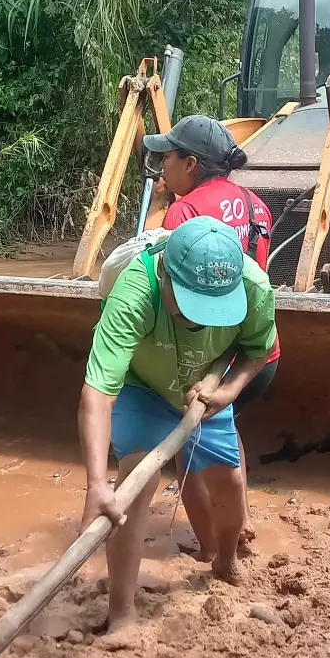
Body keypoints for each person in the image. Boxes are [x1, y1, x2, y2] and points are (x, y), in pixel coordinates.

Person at [80, 216, 278, 633]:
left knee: (231, 482)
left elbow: (258, 349)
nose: (200, 322)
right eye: (191, 307)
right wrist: (96, 483)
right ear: (166, 277)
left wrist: (228, 391)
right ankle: (121, 612)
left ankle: (224, 562)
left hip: (207, 385)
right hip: (142, 384)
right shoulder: (134, 291)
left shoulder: (253, 286)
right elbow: (99, 390)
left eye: (213, 310)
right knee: (133, 489)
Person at [144, 114, 277, 555]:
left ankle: (211, 548)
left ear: (192, 164)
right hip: (257, 355)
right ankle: (238, 527)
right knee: (226, 438)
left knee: (188, 447)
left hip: (207, 354)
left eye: (168, 157)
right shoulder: (257, 205)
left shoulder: (185, 212)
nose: (161, 166)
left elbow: (162, 281)